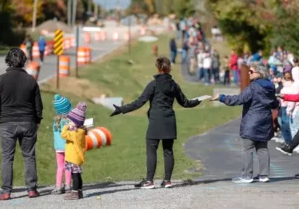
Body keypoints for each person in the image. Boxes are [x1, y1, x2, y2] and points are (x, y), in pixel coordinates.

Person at [110, 57, 201, 189]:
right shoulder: (174, 85)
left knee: (151, 150)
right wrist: (198, 100)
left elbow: (139, 102)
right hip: (169, 120)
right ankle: (168, 181)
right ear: (169, 68)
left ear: (158, 68)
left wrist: (121, 109)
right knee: (168, 151)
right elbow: (185, 103)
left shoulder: (153, 84)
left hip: (155, 121)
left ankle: (149, 181)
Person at [211, 62, 279, 184]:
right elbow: (274, 104)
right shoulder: (271, 87)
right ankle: (264, 175)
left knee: (248, 149)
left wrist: (221, 97)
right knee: (262, 148)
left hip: (251, 123)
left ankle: (247, 175)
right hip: (265, 122)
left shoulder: (253, 87)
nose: (249, 73)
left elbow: (238, 100)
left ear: (260, 73)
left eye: (251, 71)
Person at [0, 48, 43, 200]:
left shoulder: (1, 80)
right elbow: (38, 105)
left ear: (8, 61)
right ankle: (31, 189)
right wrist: (37, 121)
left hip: (7, 123)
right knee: (29, 156)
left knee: (7, 158)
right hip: (28, 122)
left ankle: (5, 191)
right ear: (24, 61)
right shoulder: (31, 80)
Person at [61, 102, 88, 199]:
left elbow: (63, 135)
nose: (69, 123)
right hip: (77, 157)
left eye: (70, 121)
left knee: (74, 175)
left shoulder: (74, 134)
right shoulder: (80, 132)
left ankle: (75, 193)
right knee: (78, 175)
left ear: (76, 122)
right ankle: (79, 192)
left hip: (73, 157)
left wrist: (66, 127)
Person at [276, 66, 299, 155]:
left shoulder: (296, 84)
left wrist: (289, 109)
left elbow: (293, 98)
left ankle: (297, 146)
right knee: (297, 126)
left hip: (295, 108)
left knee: (294, 127)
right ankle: (297, 145)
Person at [52, 94, 73, 194]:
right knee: (68, 166)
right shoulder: (70, 122)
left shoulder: (56, 121)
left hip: (58, 148)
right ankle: (68, 185)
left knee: (60, 167)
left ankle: (58, 186)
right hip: (68, 147)